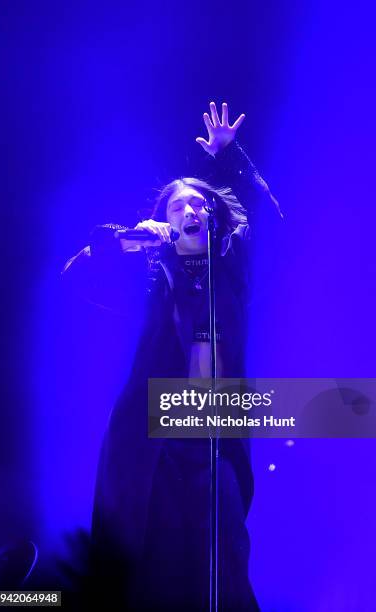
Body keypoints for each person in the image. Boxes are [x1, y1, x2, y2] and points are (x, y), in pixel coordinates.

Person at [62, 102, 283, 610]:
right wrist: (128, 244)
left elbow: (273, 227)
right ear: (165, 222)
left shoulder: (231, 272)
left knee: (223, 558)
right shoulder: (147, 282)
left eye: (199, 203)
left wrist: (232, 159)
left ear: (215, 217)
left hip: (215, 439)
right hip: (150, 443)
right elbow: (75, 280)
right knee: (150, 566)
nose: (190, 210)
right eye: (177, 207)